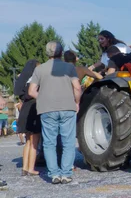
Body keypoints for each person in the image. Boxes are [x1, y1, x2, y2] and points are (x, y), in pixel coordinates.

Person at [28, 42, 81, 185]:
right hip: (67, 107)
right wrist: (76, 102)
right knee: (68, 142)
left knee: (49, 143)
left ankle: (54, 174)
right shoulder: (69, 67)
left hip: (47, 109)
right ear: (61, 52)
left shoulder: (40, 70)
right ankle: (66, 174)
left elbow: (31, 91)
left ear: (47, 53)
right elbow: (77, 87)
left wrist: (44, 97)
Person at [14, 60, 42, 176]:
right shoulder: (36, 80)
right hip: (34, 109)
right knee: (34, 142)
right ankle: (31, 168)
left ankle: (25, 167)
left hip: (25, 109)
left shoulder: (24, 81)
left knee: (28, 142)